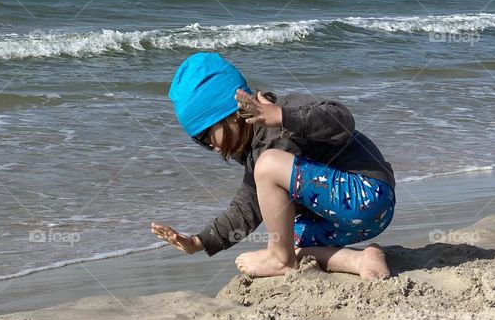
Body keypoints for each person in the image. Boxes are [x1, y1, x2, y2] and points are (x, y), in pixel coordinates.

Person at [151, 52, 395, 279]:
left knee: (268, 169)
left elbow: (342, 120)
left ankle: (281, 260)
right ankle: (360, 260)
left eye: (206, 136)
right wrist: (198, 241)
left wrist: (282, 116)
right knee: (285, 236)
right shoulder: (255, 153)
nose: (210, 146)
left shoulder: (283, 113)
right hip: (348, 221)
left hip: (368, 193)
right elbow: (247, 208)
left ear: (230, 113)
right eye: (199, 142)